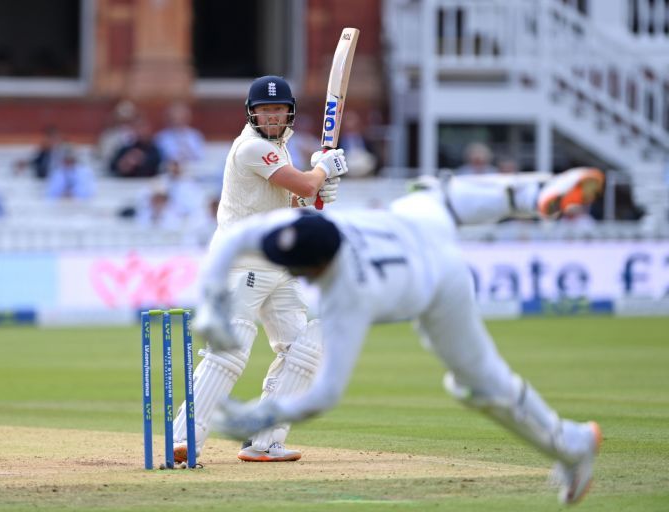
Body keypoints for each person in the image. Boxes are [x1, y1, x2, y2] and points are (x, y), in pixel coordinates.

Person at [194, 168, 605, 506]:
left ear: (315, 269)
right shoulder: (321, 223)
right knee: (438, 194)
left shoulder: (347, 296)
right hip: (413, 223)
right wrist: (213, 302)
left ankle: (574, 445)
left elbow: (326, 394)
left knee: (477, 386)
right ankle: (536, 193)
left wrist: (258, 416)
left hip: (439, 285)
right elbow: (236, 238)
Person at [171, 75, 348, 464]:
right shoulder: (251, 148)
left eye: (278, 110)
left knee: (306, 346)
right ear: (252, 114)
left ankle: (265, 439)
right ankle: (182, 439)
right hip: (241, 263)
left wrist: (318, 192)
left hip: (277, 265)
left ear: (288, 113)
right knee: (228, 354)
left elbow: (293, 198)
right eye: (264, 110)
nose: (271, 116)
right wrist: (320, 173)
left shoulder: (279, 149)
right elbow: (302, 183)